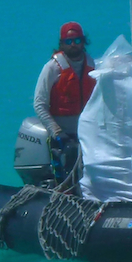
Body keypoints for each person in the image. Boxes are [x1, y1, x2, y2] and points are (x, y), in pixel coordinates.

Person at [34, 22, 95, 178]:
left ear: (83, 41)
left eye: (77, 40)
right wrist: (57, 132)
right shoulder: (52, 68)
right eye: (68, 41)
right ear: (62, 44)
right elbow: (39, 104)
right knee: (71, 154)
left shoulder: (91, 64)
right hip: (63, 135)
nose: (73, 45)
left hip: (86, 131)